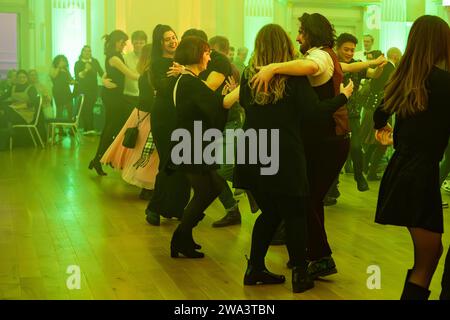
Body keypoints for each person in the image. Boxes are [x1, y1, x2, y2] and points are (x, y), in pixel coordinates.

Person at [251, 13, 385, 277]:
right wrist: (371, 62)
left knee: (307, 199)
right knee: (308, 199)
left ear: (310, 33)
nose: (298, 36)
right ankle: (310, 255)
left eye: (301, 31)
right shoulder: (326, 55)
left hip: (328, 139)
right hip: (327, 139)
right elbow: (344, 69)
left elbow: (310, 68)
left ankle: (321, 257)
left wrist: (272, 67)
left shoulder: (319, 56)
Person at [236, 24, 353, 294]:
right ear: (285, 46)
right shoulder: (292, 77)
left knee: (271, 212)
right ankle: (300, 273)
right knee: (294, 213)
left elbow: (244, 103)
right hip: (283, 150)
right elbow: (314, 112)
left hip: (253, 149)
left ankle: (254, 268)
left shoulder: (247, 75)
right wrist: (342, 97)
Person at [373, 15, 450, 300]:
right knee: (427, 258)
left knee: (430, 253)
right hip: (420, 175)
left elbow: (378, 116)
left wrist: (388, 132)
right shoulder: (443, 83)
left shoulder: (403, 79)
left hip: (402, 169)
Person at [169, 36, 240, 259]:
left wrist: (226, 95)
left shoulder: (190, 80)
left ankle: (184, 236)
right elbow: (215, 107)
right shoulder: (189, 82)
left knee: (211, 188)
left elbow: (209, 105)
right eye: (207, 53)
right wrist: (239, 90)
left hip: (193, 143)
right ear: (197, 55)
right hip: (191, 145)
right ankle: (180, 237)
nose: (210, 57)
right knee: (205, 191)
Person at [145, 24, 191, 225]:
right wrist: (175, 75)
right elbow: (161, 88)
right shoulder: (156, 63)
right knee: (167, 162)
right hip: (164, 116)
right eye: (167, 39)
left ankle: (176, 208)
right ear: (160, 43)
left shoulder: (183, 61)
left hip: (182, 116)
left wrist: (184, 71)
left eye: (174, 37)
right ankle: (153, 208)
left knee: (181, 163)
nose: (173, 41)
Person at [101, 44, 159, 197]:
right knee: (146, 152)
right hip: (146, 114)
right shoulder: (148, 74)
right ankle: (146, 185)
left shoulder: (145, 72)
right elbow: (147, 97)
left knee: (140, 150)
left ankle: (146, 185)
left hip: (140, 112)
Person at [89, 30, 140, 176]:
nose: (124, 44)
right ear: (116, 41)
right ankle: (102, 159)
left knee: (113, 128)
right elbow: (129, 74)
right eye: (123, 41)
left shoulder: (115, 57)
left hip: (115, 95)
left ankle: (101, 159)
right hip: (112, 97)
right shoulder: (114, 58)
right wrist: (148, 76)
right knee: (112, 128)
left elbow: (106, 73)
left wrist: (104, 80)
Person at [360, 47, 402, 181]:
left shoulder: (382, 68)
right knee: (382, 142)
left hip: (371, 107)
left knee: (374, 141)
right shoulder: (392, 70)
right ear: (395, 56)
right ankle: (371, 172)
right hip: (382, 108)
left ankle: (364, 167)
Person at [74, 45, 104, 135]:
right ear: (82, 52)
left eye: (89, 51)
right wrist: (86, 69)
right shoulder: (78, 63)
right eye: (85, 51)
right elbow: (79, 77)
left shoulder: (95, 62)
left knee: (90, 108)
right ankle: (88, 128)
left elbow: (101, 73)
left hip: (93, 89)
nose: (88, 53)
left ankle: (88, 129)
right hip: (82, 89)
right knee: (85, 108)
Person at [50, 55, 74, 126]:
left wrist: (72, 81)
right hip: (58, 92)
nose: (63, 62)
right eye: (62, 60)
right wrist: (59, 67)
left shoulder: (66, 70)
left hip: (67, 91)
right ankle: (60, 129)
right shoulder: (54, 68)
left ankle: (71, 127)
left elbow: (70, 80)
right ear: (57, 62)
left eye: (64, 60)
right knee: (59, 110)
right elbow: (53, 76)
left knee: (70, 108)